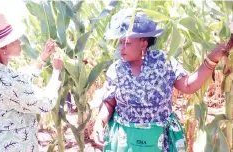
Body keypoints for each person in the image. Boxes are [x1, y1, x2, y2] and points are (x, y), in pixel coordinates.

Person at [92, 9, 232, 152]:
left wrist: (212, 59)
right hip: (125, 141)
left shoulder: (163, 62)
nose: (122, 48)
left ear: (143, 42)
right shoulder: (116, 69)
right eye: (120, 43)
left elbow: (188, 86)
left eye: (127, 42)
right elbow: (109, 103)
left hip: (161, 140)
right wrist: (99, 122)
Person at [0, 10, 62, 151]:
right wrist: (57, 71)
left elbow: (19, 82)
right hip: (16, 145)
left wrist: (42, 58)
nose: (20, 42)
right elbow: (45, 103)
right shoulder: (6, 79)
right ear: (3, 48)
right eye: (14, 39)